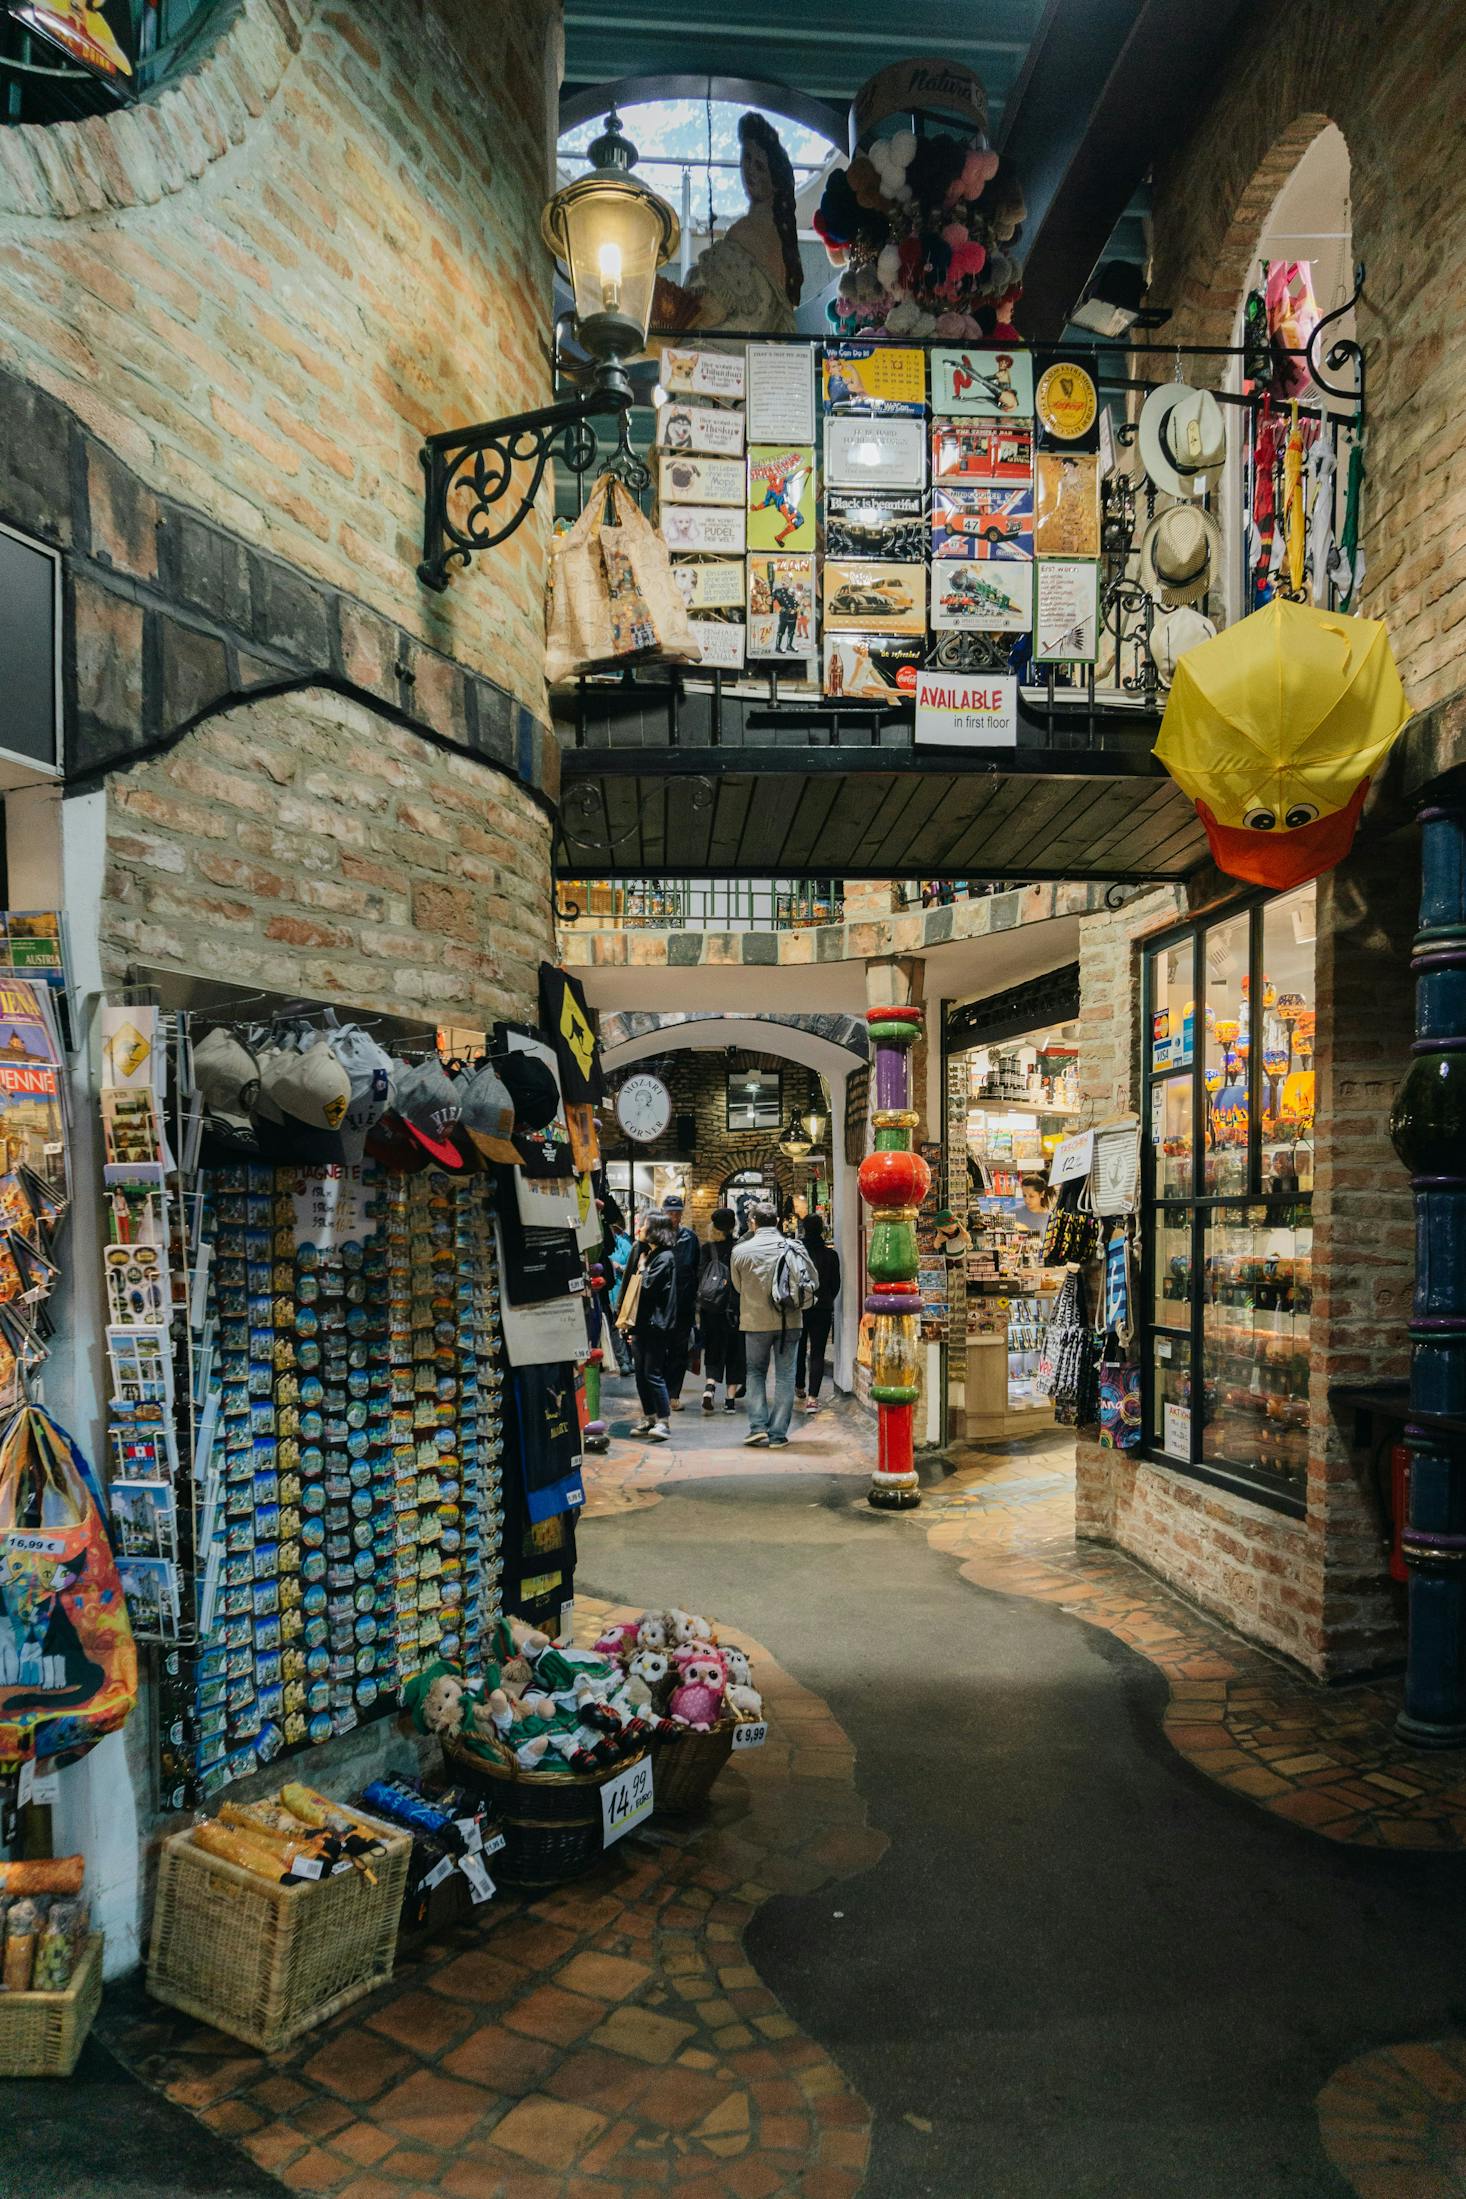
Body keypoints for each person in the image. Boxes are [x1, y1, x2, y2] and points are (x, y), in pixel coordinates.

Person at [730, 1203, 805, 1448]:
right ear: (778, 1221)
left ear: (752, 1222)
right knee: (785, 1376)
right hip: (790, 1321)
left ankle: (758, 1427)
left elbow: (738, 1287)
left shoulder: (741, 1251)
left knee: (754, 1373)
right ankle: (777, 1435)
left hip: (755, 1321)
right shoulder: (794, 1247)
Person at [626, 1214, 678, 1443]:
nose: (640, 1228)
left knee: (652, 1372)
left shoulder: (664, 1257)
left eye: (645, 1225)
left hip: (656, 1324)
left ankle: (663, 1420)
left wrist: (643, 1267)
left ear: (655, 1229)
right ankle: (649, 1416)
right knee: (640, 1373)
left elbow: (648, 1288)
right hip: (641, 1323)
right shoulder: (648, 1252)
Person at [697, 1207, 745, 1413]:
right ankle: (730, 1401)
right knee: (735, 1352)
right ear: (733, 1226)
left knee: (713, 1349)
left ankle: (710, 1387)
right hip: (735, 1309)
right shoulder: (739, 1248)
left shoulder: (707, 1249)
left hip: (712, 1309)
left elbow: (700, 1277)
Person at [794, 1213, 841, 1414]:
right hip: (822, 1307)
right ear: (822, 1230)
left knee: (798, 1346)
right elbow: (835, 1285)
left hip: (799, 1307)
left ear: (804, 1229)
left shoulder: (796, 1254)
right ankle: (813, 1397)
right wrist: (826, 1299)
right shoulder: (831, 1255)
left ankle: (799, 1386)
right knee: (818, 1352)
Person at [660, 1192, 701, 1410]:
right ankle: (661, 1392)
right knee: (659, 1350)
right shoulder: (656, 1236)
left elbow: (696, 1268)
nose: (674, 1217)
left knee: (678, 1349)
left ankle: (673, 1394)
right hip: (661, 1302)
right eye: (670, 1213)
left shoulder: (690, 1238)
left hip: (684, 1303)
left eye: (677, 1213)